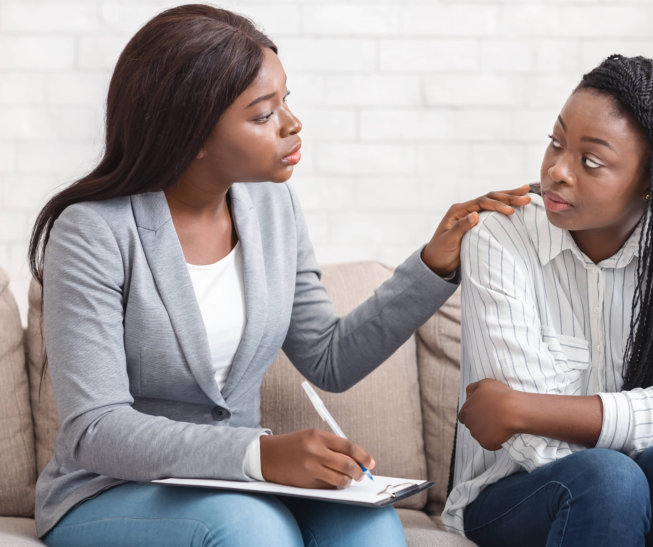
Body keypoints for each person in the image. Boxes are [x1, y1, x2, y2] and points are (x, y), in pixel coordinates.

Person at [27, 5, 531, 546]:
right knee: (252, 530)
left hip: (238, 486)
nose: (292, 123)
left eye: (284, 100)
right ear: (191, 130)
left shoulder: (272, 208)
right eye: (263, 114)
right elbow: (95, 428)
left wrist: (434, 263)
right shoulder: (92, 231)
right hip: (111, 488)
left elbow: (328, 357)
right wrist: (257, 454)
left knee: (371, 526)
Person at [443, 55, 653, 546]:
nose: (557, 170)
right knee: (612, 479)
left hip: (634, 483)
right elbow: (529, 443)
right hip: (511, 491)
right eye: (556, 142)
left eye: (591, 161)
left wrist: (522, 408)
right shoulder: (499, 236)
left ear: (649, 183)